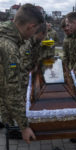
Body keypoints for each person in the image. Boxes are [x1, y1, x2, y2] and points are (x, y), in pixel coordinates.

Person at [0, 3, 44, 144]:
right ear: (30, 26)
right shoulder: (10, 48)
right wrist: (24, 126)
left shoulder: (4, 34)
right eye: (35, 30)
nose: (33, 35)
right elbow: (12, 91)